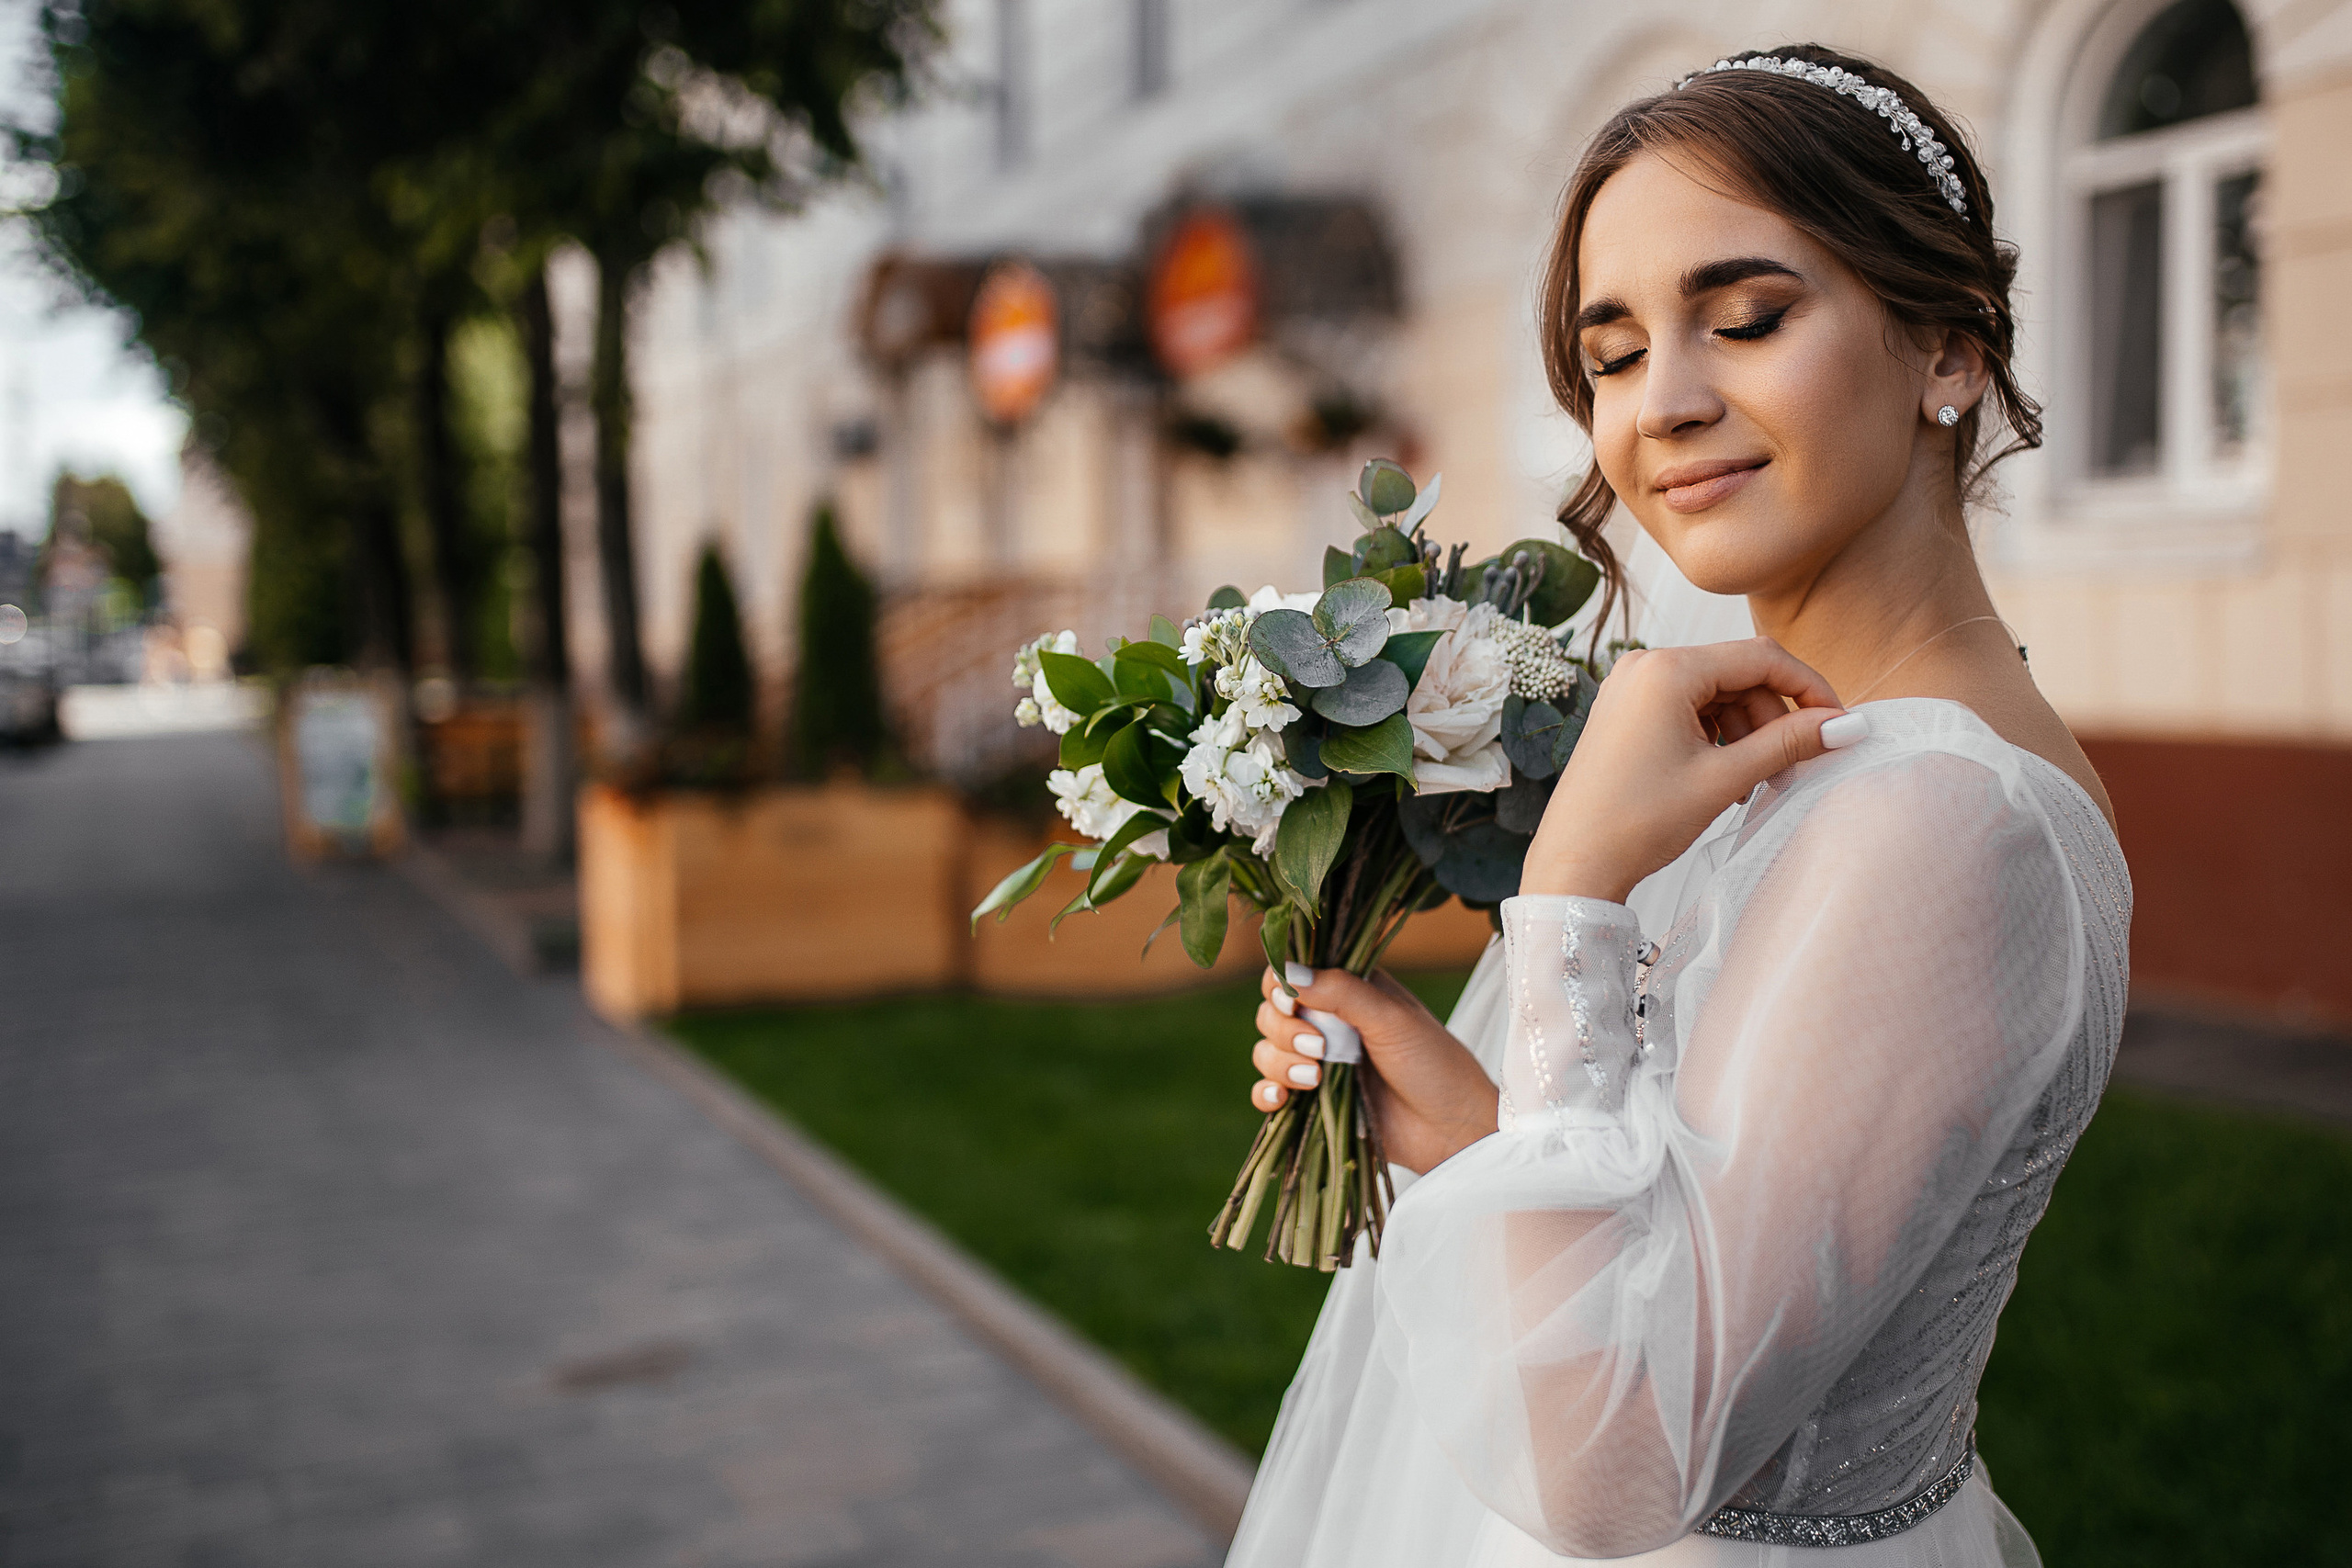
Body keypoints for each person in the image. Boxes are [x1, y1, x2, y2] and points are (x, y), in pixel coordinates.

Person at [1227, 44, 2130, 1568]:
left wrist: (1572, 887)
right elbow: (1690, 1241)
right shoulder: (1815, 749)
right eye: (1616, 353)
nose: (1667, 403)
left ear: (1952, 352)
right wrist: (1467, 1127)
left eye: (1748, 319)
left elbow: (1615, 1470)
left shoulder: (1945, 813)